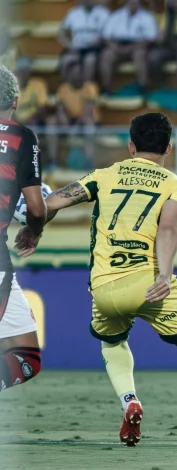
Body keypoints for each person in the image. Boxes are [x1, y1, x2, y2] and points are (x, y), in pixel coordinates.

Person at [14, 112, 177, 450]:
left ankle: (129, 401)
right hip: (150, 284)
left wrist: (35, 230)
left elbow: (50, 204)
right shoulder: (176, 186)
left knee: (111, 344)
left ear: (130, 145)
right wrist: (165, 276)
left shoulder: (104, 175)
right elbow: (168, 228)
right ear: (168, 148)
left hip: (105, 288)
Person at [0, 65, 46, 394]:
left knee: (27, 355)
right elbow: (35, 205)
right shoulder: (22, 137)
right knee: (28, 358)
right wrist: (34, 230)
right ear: (15, 101)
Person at [47, 61, 100, 169]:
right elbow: (60, 109)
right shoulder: (64, 88)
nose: (76, 76)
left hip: (84, 121)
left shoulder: (89, 87)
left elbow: (87, 111)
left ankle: (88, 161)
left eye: (79, 73)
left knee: (89, 123)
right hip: (68, 120)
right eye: (74, 73)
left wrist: (74, 129)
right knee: (51, 122)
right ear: (69, 75)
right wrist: (66, 124)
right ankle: (52, 161)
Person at [99, 0, 158, 94]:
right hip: (117, 46)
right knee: (106, 55)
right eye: (130, 2)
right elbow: (106, 36)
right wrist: (114, 46)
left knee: (140, 55)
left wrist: (132, 47)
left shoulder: (147, 17)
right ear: (126, 3)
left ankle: (143, 87)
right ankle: (106, 88)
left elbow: (151, 38)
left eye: (135, 2)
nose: (133, 4)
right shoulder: (116, 15)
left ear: (140, 3)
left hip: (138, 46)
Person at [58, 0, 111, 83]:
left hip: (94, 47)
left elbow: (109, 33)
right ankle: (68, 87)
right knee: (66, 60)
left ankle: (86, 88)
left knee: (90, 61)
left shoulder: (103, 13)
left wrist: (100, 41)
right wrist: (69, 45)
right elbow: (61, 33)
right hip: (76, 47)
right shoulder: (73, 12)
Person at [148, 0, 177, 89]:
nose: (176, 4)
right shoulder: (166, 16)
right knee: (153, 56)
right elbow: (161, 34)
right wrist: (159, 38)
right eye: (174, 2)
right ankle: (161, 83)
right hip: (168, 46)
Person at [13, 58, 48, 127]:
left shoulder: (38, 84)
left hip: (34, 121)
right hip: (16, 121)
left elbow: (43, 107)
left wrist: (33, 118)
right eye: (20, 71)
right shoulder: (10, 87)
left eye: (25, 71)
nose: (23, 74)